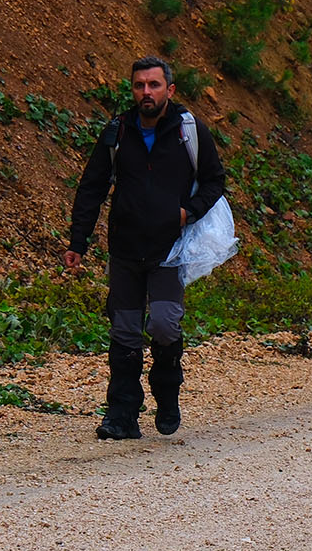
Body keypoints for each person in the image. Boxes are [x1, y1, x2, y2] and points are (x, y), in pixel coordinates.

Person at [65, 56, 228, 440]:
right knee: (124, 332)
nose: (146, 93)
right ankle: (121, 416)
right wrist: (79, 241)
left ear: (169, 90)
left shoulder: (190, 131)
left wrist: (188, 212)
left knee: (165, 324)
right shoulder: (117, 131)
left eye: (154, 85)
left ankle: (167, 395)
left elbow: (214, 181)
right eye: (139, 85)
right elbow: (91, 187)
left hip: (170, 250)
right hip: (124, 248)